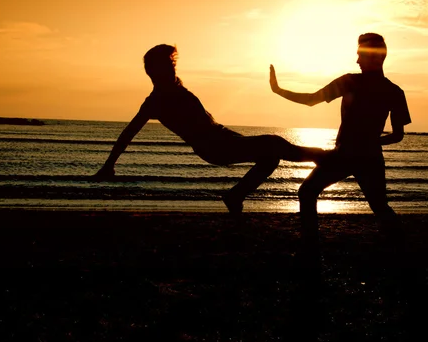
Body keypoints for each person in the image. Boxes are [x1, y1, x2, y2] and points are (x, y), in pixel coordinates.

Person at [95, 44, 326, 214]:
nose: (174, 69)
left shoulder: (176, 89)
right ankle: (323, 157)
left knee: (271, 157)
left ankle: (235, 195)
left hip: (223, 137)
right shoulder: (155, 101)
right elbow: (128, 133)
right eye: (168, 65)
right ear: (155, 71)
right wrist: (109, 165)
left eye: (172, 64)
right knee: (274, 143)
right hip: (213, 146)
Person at [269, 33, 412, 245]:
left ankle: (310, 244)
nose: (357, 61)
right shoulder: (394, 91)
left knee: (307, 192)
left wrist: (278, 90)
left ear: (375, 57)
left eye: (360, 56)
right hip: (369, 157)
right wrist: (373, 142)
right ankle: (402, 247)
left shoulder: (351, 81)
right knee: (380, 207)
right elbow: (398, 135)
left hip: (345, 155)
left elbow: (311, 100)